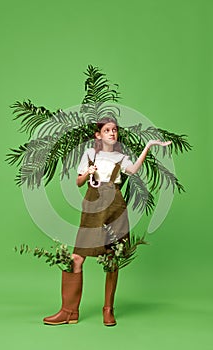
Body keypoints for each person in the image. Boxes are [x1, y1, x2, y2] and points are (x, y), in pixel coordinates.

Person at [43, 116, 172, 326]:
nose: (112, 133)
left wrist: (148, 145)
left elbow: (134, 170)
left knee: (112, 257)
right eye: (107, 130)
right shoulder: (89, 154)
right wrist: (87, 173)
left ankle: (108, 310)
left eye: (114, 130)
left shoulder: (122, 157)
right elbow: (78, 182)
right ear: (98, 135)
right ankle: (68, 312)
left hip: (115, 206)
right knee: (76, 257)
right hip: (92, 205)